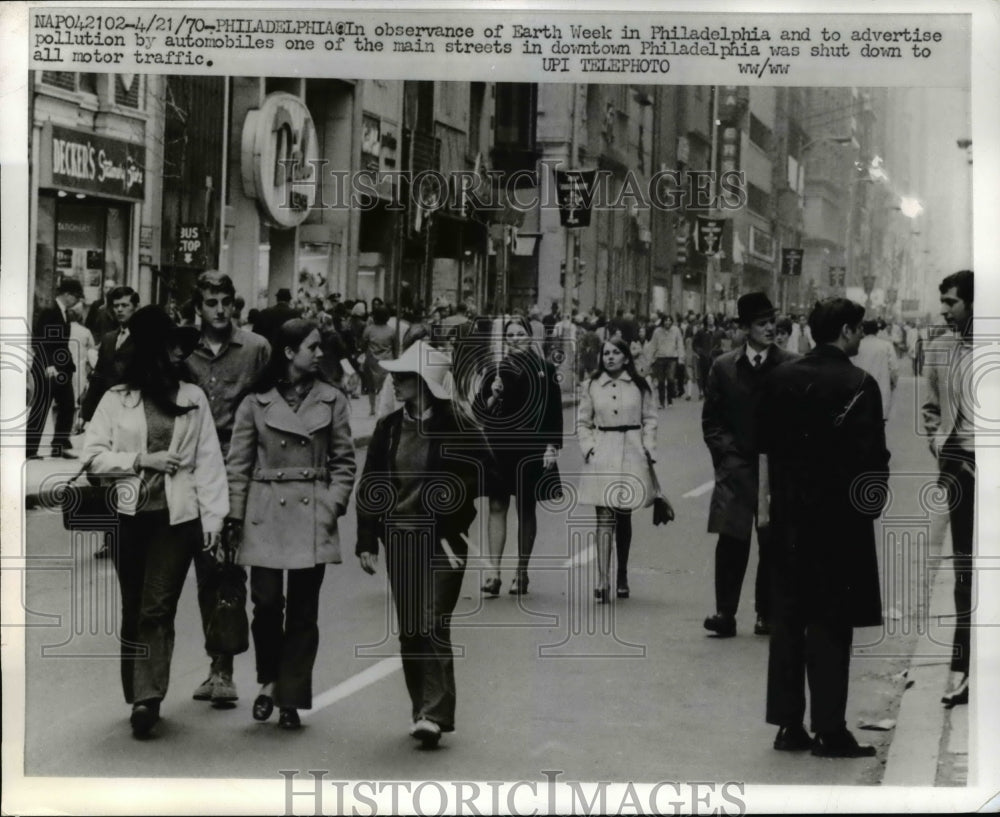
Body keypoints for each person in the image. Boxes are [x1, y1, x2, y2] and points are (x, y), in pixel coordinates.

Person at [81, 305, 226, 738]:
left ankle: (148, 698)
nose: (179, 354)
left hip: (176, 520)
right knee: (133, 608)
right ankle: (138, 690)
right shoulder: (116, 398)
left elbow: (209, 461)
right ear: (151, 351)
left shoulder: (192, 398)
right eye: (170, 346)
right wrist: (142, 459)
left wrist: (214, 519)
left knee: (156, 607)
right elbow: (92, 456)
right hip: (129, 519)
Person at [758, 297, 889, 757]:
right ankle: (830, 729)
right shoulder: (860, 383)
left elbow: (765, 448)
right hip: (839, 524)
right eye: (860, 330)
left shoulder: (779, 378)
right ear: (848, 331)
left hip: (790, 518)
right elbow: (873, 461)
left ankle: (788, 725)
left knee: (789, 622)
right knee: (831, 624)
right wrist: (869, 508)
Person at [356, 340, 490, 747]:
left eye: (403, 377)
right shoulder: (389, 428)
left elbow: (484, 473)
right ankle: (421, 709)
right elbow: (371, 484)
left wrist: (451, 512)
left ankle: (435, 713)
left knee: (433, 622)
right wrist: (367, 539)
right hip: (400, 538)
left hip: (443, 542)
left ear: (425, 382)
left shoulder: (458, 425)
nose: (394, 383)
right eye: (394, 376)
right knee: (411, 629)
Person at [225, 319, 356, 730]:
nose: (320, 354)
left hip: (311, 512)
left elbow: (345, 462)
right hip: (264, 512)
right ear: (289, 352)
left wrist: (330, 506)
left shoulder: (331, 399)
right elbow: (238, 466)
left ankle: (290, 697)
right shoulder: (255, 402)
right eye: (313, 347)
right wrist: (233, 516)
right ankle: (268, 679)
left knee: (303, 611)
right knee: (265, 603)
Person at [182, 271, 271, 706]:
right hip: (195, 474)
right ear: (198, 306)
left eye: (226, 301)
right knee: (206, 572)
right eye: (211, 302)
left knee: (230, 570)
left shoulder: (256, 349)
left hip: (241, 472)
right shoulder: (184, 352)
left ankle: (226, 670)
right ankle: (216, 663)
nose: (220, 310)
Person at [701, 293, 798, 638]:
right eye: (761, 323)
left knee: (772, 541)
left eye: (772, 321)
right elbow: (712, 421)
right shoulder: (724, 367)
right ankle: (724, 613)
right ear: (744, 329)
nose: (770, 328)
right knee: (731, 539)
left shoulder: (791, 364)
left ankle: (765, 613)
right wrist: (727, 457)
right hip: (737, 466)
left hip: (776, 467)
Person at [473, 316, 563, 596]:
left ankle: (521, 572)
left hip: (531, 446)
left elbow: (553, 410)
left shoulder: (544, 369)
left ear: (530, 336)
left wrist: (551, 446)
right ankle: (493, 572)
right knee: (497, 505)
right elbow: (479, 412)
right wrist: (492, 395)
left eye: (520, 333)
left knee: (526, 507)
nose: (514, 338)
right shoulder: (495, 370)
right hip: (499, 446)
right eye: (509, 335)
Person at [921, 270, 975, 708]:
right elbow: (931, 408)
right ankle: (962, 668)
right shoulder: (939, 348)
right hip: (960, 469)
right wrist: (939, 444)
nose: (944, 310)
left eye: (951, 302)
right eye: (942, 302)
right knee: (964, 571)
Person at [576, 337, 657, 601]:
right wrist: (589, 448)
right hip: (603, 451)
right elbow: (583, 422)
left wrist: (648, 448)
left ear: (625, 357)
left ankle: (621, 572)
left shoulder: (640, 385)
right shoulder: (591, 385)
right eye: (606, 353)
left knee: (623, 515)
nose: (609, 357)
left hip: (631, 451)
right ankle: (602, 579)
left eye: (615, 353)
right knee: (603, 515)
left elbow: (650, 420)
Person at [27, 277, 84, 459]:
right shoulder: (50, 311)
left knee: (67, 406)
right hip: (47, 368)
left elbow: (60, 344)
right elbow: (40, 340)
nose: (77, 301)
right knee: (41, 407)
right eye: (76, 296)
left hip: (61, 370)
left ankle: (59, 446)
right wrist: (49, 364)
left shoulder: (63, 313)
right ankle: (29, 449)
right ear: (67, 295)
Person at [80, 286, 140, 426]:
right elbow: (98, 376)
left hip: (133, 410)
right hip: (108, 410)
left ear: (135, 307)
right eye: (116, 306)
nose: (119, 310)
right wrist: (85, 414)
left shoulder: (143, 338)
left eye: (125, 305)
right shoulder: (109, 339)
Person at [853, 319, 899, 423]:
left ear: (863, 330)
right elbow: (894, 369)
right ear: (877, 331)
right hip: (881, 392)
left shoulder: (857, 345)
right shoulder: (886, 345)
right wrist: (892, 384)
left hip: (860, 393)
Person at [360, 304, 399, 417]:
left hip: (372, 362)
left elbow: (363, 345)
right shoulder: (392, 331)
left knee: (371, 386)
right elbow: (395, 348)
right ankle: (384, 408)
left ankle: (372, 409)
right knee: (385, 386)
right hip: (387, 362)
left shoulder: (369, 330)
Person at [649, 314, 684, 408]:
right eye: (666, 320)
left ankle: (670, 400)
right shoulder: (657, 331)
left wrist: (681, 357)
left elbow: (680, 343)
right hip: (660, 358)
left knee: (670, 379)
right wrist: (650, 359)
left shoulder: (676, 330)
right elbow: (653, 345)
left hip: (672, 358)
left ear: (672, 322)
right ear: (662, 321)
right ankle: (661, 402)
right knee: (660, 381)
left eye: (669, 320)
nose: (667, 322)